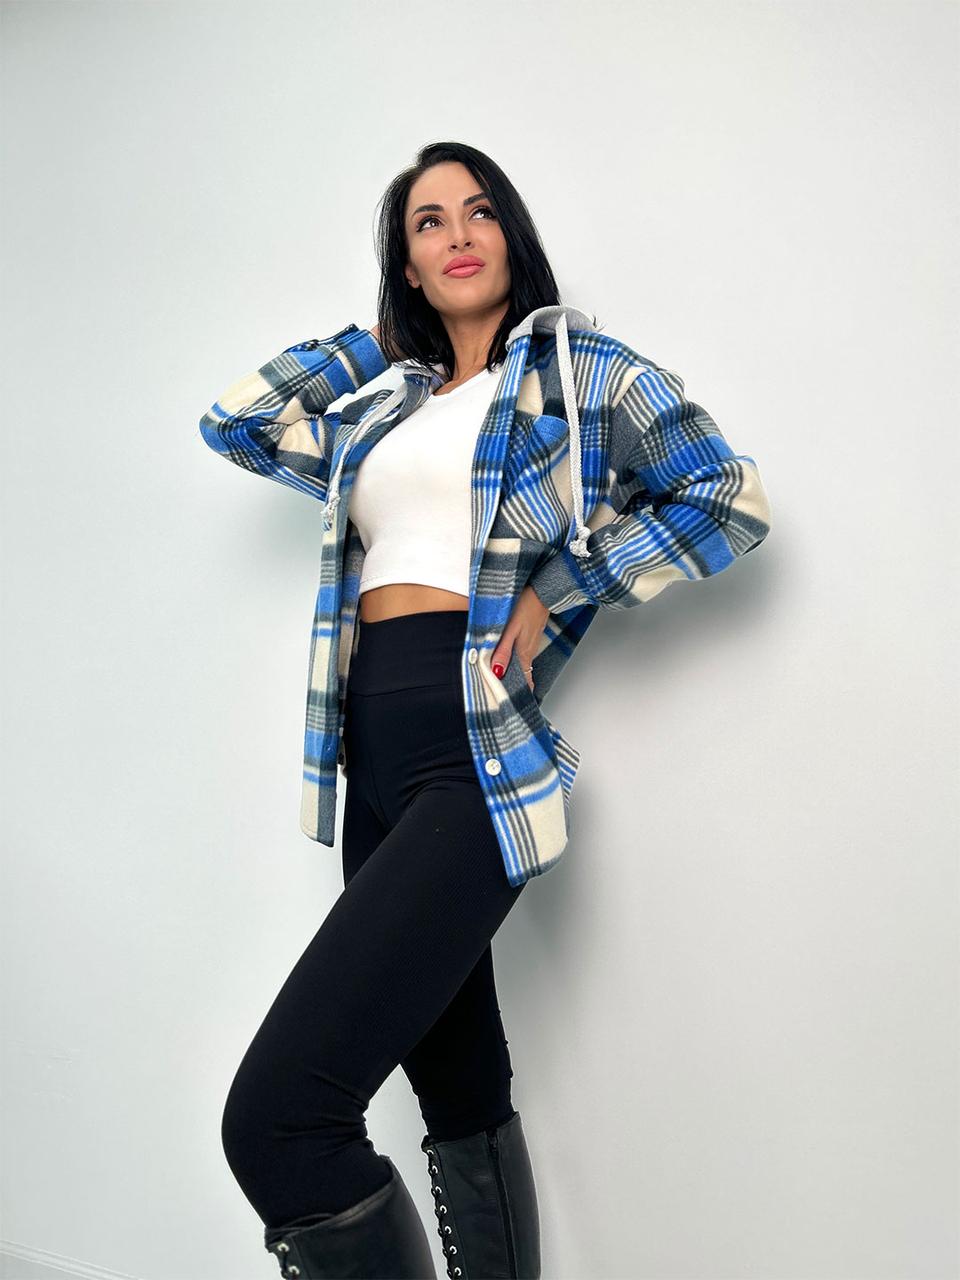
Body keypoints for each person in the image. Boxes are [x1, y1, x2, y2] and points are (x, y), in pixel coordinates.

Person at [198, 141, 772, 1280]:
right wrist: (384, 336)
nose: (458, 235)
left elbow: (728, 495)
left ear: (511, 233)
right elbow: (238, 422)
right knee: (458, 1088)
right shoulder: (387, 405)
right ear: (407, 262)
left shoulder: (579, 373)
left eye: (479, 213)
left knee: (281, 1120)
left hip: (475, 753)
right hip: (371, 761)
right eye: (428, 223)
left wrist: (567, 583)